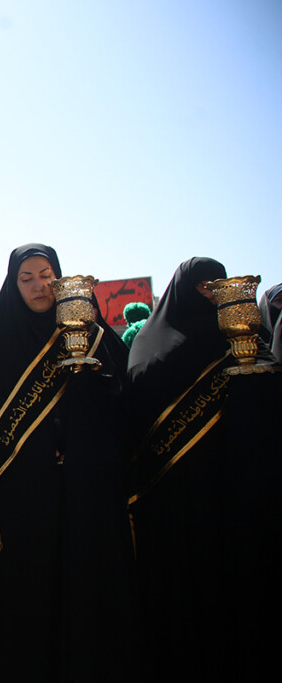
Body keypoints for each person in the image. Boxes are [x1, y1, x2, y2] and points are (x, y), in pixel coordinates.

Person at [0, 244, 135, 682]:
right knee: (31, 592)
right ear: (13, 284)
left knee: (85, 583)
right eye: (27, 279)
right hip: (25, 489)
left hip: (85, 485)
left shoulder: (89, 331)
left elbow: (122, 397)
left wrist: (88, 398)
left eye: (47, 275)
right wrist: (40, 446)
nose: (39, 286)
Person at [126, 258, 281, 680]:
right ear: (181, 291)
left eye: (216, 287)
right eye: (200, 287)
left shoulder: (244, 338)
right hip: (175, 496)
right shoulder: (150, 345)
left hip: (235, 488)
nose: (209, 296)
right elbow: (140, 400)